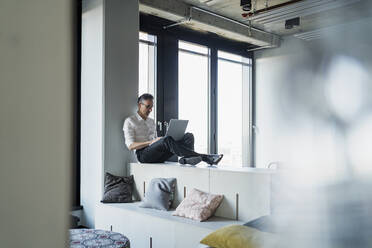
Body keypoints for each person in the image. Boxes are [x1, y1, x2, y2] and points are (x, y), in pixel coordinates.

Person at [123, 93, 223, 165]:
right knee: (166, 140)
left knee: (189, 136)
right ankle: (206, 158)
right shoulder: (130, 121)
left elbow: (156, 142)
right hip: (143, 156)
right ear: (140, 105)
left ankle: (187, 159)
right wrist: (151, 142)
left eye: (152, 107)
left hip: (158, 155)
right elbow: (130, 146)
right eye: (148, 106)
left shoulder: (151, 121)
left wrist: (158, 141)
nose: (150, 110)